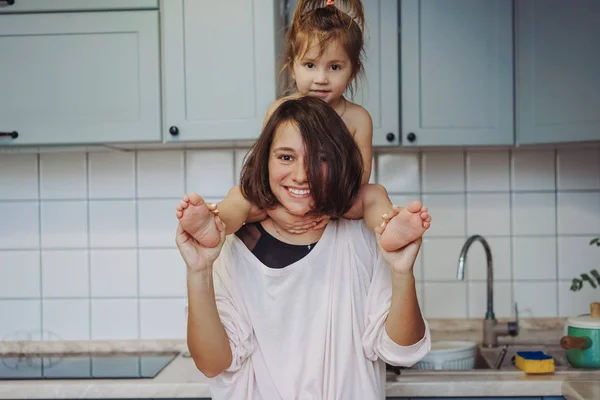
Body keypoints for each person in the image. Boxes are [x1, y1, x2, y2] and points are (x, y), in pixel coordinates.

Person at [176, 96, 431, 399]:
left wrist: (402, 273)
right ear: (265, 160)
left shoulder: (363, 235)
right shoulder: (228, 245)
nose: (301, 174)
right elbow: (213, 364)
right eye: (286, 157)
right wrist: (199, 270)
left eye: (320, 159)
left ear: (339, 162)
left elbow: (402, 352)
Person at [177, 0, 430, 254]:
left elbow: (359, 178)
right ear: (292, 66)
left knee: (374, 194)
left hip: (336, 201)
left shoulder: (358, 118)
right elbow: (265, 171)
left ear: (353, 71)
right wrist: (276, 210)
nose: (321, 78)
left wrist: (327, 208)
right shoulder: (279, 111)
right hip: (284, 198)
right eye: (310, 65)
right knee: (240, 196)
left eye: (334, 67)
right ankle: (213, 225)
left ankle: (390, 231)